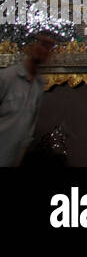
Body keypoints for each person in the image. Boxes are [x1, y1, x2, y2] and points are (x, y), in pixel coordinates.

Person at [0, 30, 59, 167]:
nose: (44, 50)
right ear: (31, 46)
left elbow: (28, 130)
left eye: (49, 48)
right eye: (42, 44)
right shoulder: (6, 77)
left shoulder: (38, 85)